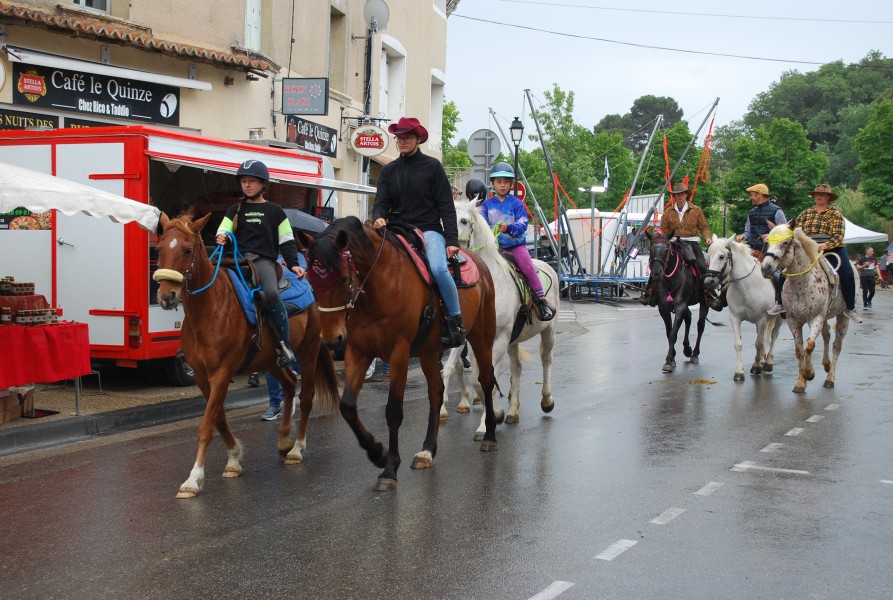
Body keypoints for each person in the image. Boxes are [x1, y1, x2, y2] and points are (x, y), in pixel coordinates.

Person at [371, 116, 466, 348]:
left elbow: (446, 205)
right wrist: (378, 217)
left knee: (439, 269)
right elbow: (381, 202)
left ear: (418, 139)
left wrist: (452, 239)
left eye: (407, 137)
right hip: (397, 230)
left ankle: (455, 321)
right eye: (399, 138)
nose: (402, 141)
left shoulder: (433, 167)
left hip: (428, 230)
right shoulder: (389, 170)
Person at [216, 159, 306, 366]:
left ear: (263, 184)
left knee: (272, 294)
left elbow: (286, 240)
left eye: (252, 181)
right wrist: (222, 237)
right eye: (244, 181)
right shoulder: (234, 210)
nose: (247, 185)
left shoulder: (276, 211)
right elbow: (223, 230)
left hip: (263, 262)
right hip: (235, 261)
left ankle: (283, 346)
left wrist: (293, 263)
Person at [481, 162, 554, 321]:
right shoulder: (486, 205)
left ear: (511, 184)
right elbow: (482, 225)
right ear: (493, 183)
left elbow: (522, 224)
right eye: (499, 181)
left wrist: (508, 228)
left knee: (527, 266)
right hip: (493, 248)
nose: (502, 185)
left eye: (506, 182)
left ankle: (541, 301)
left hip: (515, 247)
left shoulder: (517, 203)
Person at [711, 183, 788, 312]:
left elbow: (785, 230)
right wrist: (743, 236)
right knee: (730, 267)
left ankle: (781, 302)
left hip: (770, 250)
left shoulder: (777, 211)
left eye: (752, 195)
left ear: (759, 194)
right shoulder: (751, 212)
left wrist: (770, 236)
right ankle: (721, 299)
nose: (750, 198)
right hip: (752, 247)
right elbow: (748, 231)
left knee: (778, 274)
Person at [793, 184, 861, 323]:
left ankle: (850, 307)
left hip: (832, 249)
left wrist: (825, 245)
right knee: (786, 270)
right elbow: (796, 231)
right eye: (817, 194)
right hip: (808, 249)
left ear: (828, 197)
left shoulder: (835, 214)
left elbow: (839, 235)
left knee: (847, 273)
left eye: (822, 194)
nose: (819, 196)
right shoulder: (805, 213)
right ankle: (780, 303)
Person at [640, 182, 712, 306]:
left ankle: (708, 294)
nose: (679, 196)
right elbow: (664, 229)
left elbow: (704, 227)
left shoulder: (696, 210)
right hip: (673, 242)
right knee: (657, 263)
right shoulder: (668, 212)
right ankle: (649, 293)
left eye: (682, 194)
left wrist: (707, 237)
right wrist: (661, 238)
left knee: (702, 265)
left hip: (691, 241)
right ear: (674, 196)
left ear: (686, 195)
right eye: (677, 194)